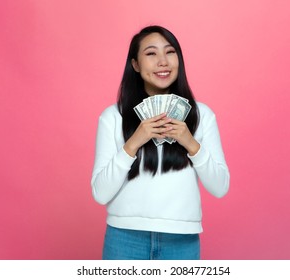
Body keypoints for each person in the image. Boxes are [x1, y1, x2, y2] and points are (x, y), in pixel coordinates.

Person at [91, 25, 230, 260]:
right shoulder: (113, 117)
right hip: (125, 238)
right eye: (151, 53)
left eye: (170, 52)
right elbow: (100, 194)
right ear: (135, 64)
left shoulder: (202, 115)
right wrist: (133, 143)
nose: (163, 61)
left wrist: (190, 143)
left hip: (182, 239)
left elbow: (220, 187)